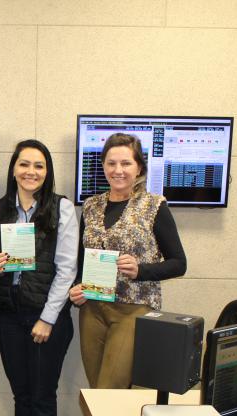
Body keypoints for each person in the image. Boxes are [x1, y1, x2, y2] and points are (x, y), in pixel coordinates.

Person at [0, 139, 78, 416]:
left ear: (47, 172)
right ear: (13, 168)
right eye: (24, 164)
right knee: (22, 396)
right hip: (10, 315)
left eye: (39, 166)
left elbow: (67, 269)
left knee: (42, 398)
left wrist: (47, 318)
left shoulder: (62, 209)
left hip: (47, 319)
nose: (31, 172)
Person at [69, 133, 186, 389]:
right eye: (111, 163)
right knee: (96, 391)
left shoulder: (154, 206)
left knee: (110, 388)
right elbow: (82, 259)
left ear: (139, 168)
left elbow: (179, 263)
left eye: (126, 163)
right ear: (103, 166)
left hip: (133, 309)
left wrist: (140, 270)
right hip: (92, 309)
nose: (118, 170)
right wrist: (77, 286)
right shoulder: (90, 206)